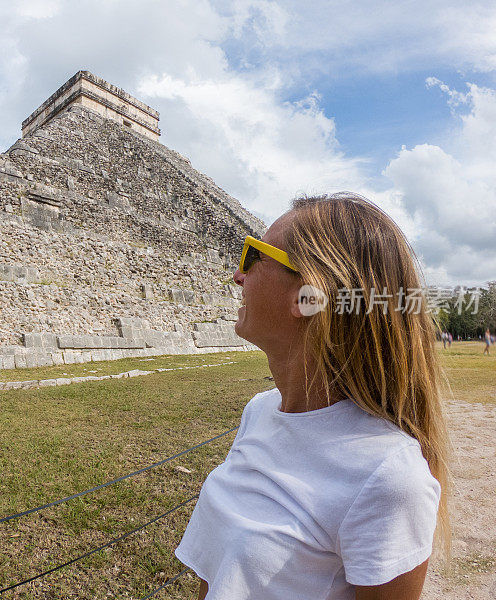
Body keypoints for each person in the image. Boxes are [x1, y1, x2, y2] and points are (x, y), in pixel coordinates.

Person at [175, 193, 451, 600]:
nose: (238, 276)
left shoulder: (389, 476)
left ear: (308, 297)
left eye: (253, 256)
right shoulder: (260, 411)